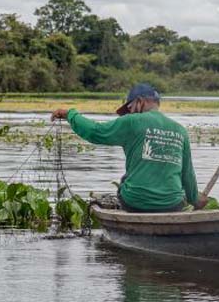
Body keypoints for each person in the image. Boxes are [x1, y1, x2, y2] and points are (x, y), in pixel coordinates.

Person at [51, 84, 208, 212]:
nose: (129, 113)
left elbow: (95, 132)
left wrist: (70, 114)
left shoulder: (132, 122)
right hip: (172, 204)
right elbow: (188, 174)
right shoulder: (180, 130)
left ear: (140, 102)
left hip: (136, 201)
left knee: (124, 182)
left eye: (130, 108)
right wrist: (195, 200)